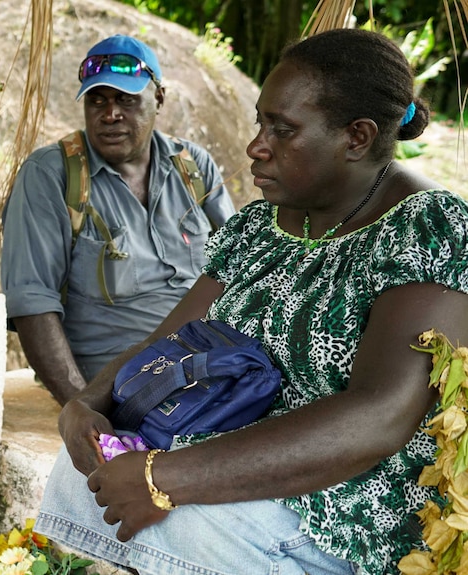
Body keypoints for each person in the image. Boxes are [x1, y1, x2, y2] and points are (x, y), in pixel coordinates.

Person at [33, 28, 468, 575]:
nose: (256, 145)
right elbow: (167, 342)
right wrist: (87, 405)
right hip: (229, 464)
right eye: (261, 122)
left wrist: (165, 480)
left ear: (357, 137)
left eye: (282, 130)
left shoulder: (427, 228)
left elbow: (379, 416)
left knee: (177, 519)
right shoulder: (259, 227)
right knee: (83, 470)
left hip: (339, 515)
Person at [1, 35, 237, 405]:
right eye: (97, 100)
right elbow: (32, 303)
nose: (110, 114)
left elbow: (239, 266)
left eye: (126, 100)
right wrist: (82, 409)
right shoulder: (52, 175)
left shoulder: (193, 166)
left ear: (158, 98)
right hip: (121, 381)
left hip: (210, 363)